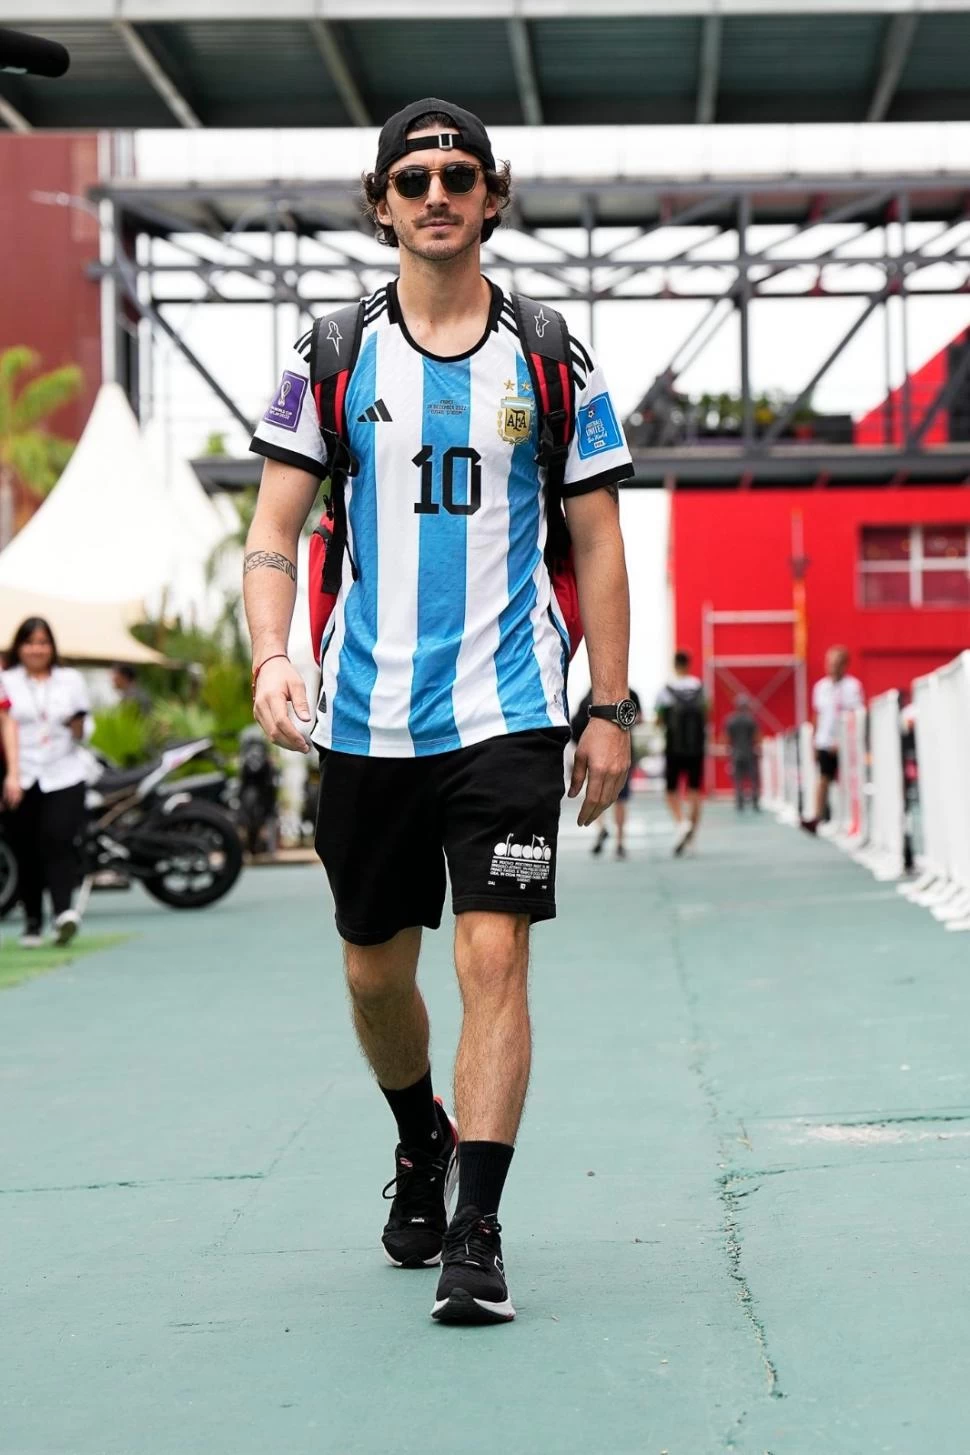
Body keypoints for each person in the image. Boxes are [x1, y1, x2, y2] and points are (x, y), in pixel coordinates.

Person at [244, 98, 635, 1327]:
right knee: (374, 974)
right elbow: (271, 536)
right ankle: (420, 1132)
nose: (435, 193)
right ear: (380, 204)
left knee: (493, 954)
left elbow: (599, 542)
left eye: (458, 173)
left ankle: (477, 1231)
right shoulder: (331, 355)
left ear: (493, 195)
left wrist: (609, 706)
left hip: (508, 712)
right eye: (411, 177)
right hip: (363, 720)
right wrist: (270, 657)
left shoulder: (553, 354)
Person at [0, 617, 91, 946]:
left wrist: (77, 725)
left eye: (43, 642)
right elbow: (5, 726)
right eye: (30, 642)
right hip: (21, 776)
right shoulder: (6, 680)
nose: (37, 649)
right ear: (19, 647)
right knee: (25, 848)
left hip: (64, 772)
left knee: (59, 841)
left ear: (52, 647)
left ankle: (63, 914)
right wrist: (11, 775)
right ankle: (33, 922)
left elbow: (85, 730)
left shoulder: (70, 680)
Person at [801, 644, 864, 833]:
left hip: (846, 743)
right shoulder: (821, 687)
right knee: (823, 779)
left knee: (848, 780)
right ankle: (818, 817)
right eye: (830, 663)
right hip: (824, 741)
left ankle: (851, 818)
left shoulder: (853, 686)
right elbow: (817, 714)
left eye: (836, 663)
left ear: (845, 665)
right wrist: (814, 742)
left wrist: (844, 740)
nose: (832, 667)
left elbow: (856, 714)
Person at [578, 687, 642, 858]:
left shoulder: (588, 696)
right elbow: (639, 718)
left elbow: (577, 725)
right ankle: (620, 842)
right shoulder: (630, 693)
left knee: (597, 793)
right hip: (620, 753)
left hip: (596, 756)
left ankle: (601, 828)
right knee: (620, 799)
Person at [655, 650, 707, 855]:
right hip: (696, 747)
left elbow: (659, 720)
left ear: (675, 665)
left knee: (670, 791)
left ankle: (681, 823)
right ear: (689, 665)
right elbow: (707, 713)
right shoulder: (700, 688)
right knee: (694, 791)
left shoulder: (666, 690)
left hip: (674, 746)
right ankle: (692, 835)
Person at [724, 693, 760, 811]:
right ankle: (755, 801)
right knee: (753, 777)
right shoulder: (751, 719)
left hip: (736, 753)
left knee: (738, 779)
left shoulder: (730, 720)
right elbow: (756, 737)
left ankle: (739, 802)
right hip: (749, 752)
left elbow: (726, 738)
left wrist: (728, 750)